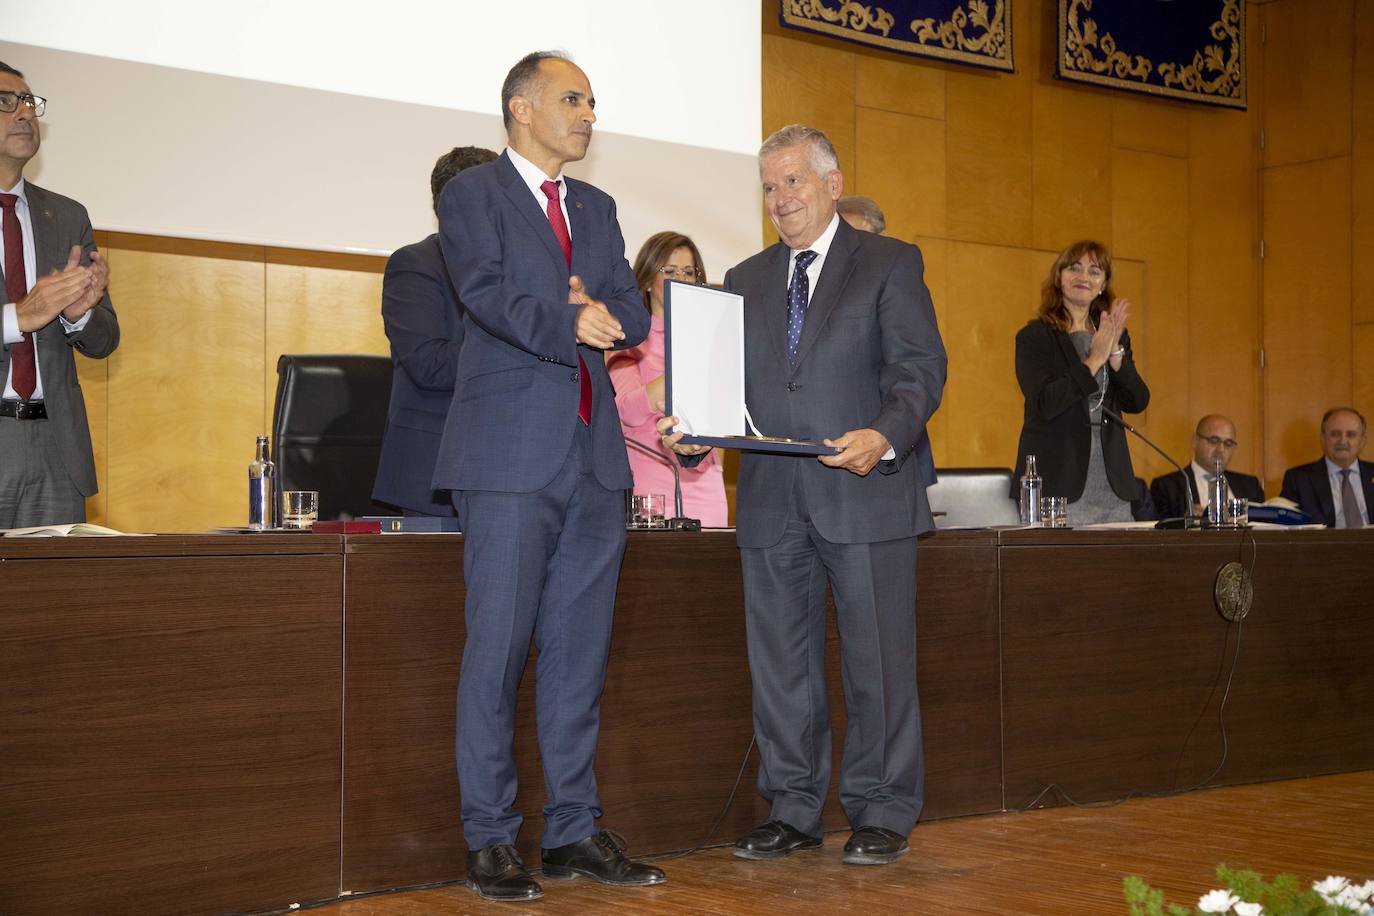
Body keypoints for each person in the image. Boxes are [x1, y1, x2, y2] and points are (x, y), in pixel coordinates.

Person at [661, 124, 947, 866]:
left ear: (830, 182)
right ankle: (791, 809)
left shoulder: (889, 262)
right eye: (768, 186)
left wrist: (884, 435)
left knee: (877, 662)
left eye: (792, 181)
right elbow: (724, 391)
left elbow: (920, 369)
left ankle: (882, 809)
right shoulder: (744, 279)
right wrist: (697, 430)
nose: (779, 198)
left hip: (867, 490)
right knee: (781, 666)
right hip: (772, 500)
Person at [432, 51, 660, 902]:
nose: (588, 113)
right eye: (572, 99)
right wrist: (574, 314)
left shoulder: (596, 208)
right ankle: (490, 836)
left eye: (593, 101)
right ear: (521, 108)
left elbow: (630, 310)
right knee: (496, 650)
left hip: (594, 459)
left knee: (578, 656)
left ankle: (571, 828)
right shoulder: (473, 195)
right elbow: (488, 295)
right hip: (507, 456)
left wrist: (603, 313)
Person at [0, 61, 119, 530]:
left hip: (56, 447)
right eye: (6, 101)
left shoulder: (67, 216)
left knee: (55, 599)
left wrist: (77, 316)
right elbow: (26, 315)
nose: (25, 112)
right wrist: (17, 318)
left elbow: (106, 338)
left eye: (29, 101)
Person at [372, 146, 497, 518]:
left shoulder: (515, 275)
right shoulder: (416, 265)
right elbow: (429, 364)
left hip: (504, 473)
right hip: (434, 479)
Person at [1009, 241, 1150, 524]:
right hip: (1057, 484)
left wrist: (1115, 355)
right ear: (1059, 278)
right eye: (1074, 268)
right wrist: (1094, 360)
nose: (1084, 277)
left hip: (1112, 485)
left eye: (1094, 271)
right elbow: (1045, 403)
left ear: (1102, 285)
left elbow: (1137, 401)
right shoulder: (1035, 337)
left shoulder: (1113, 335)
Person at [607, 231, 727, 526]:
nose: (681, 279)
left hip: (706, 480)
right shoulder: (630, 337)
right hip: (652, 482)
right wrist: (684, 371)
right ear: (647, 281)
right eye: (670, 271)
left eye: (688, 272)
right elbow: (629, 410)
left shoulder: (711, 338)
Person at [1149, 414, 1263, 520]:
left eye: (1228, 443)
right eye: (1214, 440)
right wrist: (1184, 521)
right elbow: (1161, 532)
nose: (1221, 450)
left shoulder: (1250, 485)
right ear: (1195, 441)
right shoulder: (1166, 487)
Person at [1280, 407, 1373, 527]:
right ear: (1323, 438)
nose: (1343, 441)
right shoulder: (1298, 479)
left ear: (1362, 440)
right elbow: (1286, 527)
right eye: (1335, 434)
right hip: (1323, 545)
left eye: (1351, 434)